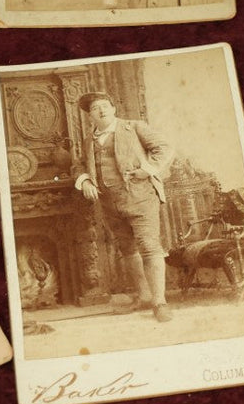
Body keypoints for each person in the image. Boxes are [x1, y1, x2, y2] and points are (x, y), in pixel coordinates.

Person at [72, 91, 174, 323]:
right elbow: (77, 165)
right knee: (128, 249)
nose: (102, 110)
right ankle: (145, 296)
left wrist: (147, 169)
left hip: (141, 198)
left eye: (105, 106)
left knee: (149, 247)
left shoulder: (134, 127)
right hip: (110, 203)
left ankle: (160, 303)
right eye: (96, 108)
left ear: (113, 109)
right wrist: (85, 180)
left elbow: (164, 148)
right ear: (90, 115)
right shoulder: (89, 141)